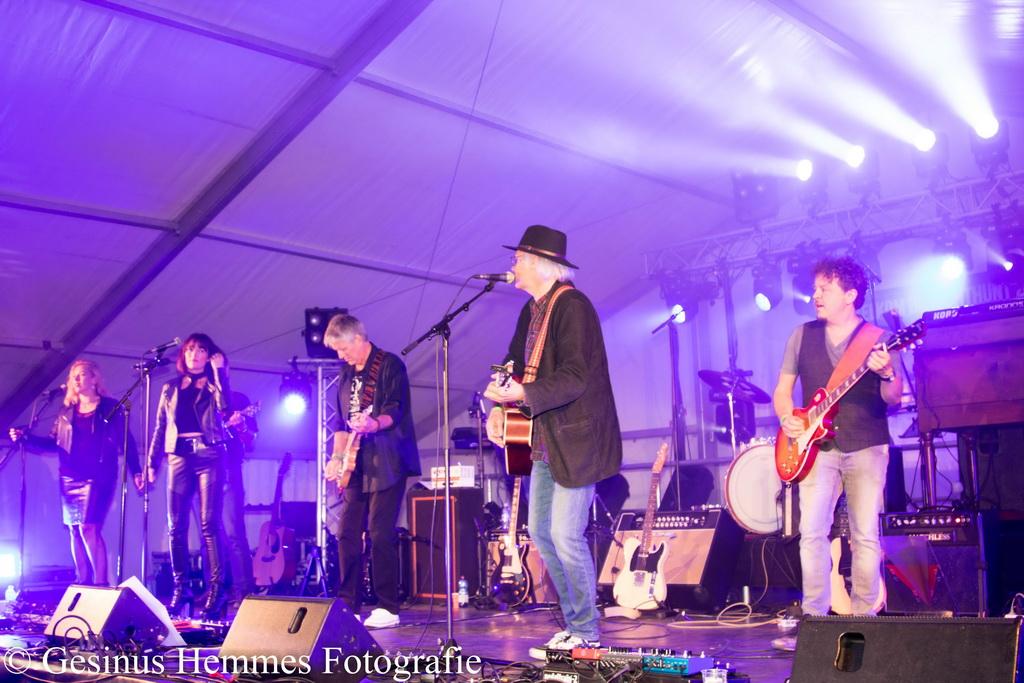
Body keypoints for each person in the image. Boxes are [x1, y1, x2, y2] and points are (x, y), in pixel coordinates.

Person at [483, 225, 622, 658]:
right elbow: (511, 365)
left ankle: (586, 630)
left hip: (578, 439)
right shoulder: (531, 311)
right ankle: (574, 623)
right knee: (542, 534)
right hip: (543, 439)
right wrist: (497, 405)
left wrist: (523, 393)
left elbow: (576, 376)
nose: (513, 265)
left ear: (542, 265)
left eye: (519, 258)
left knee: (565, 533)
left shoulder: (573, 307)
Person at [772, 256, 902, 650]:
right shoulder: (801, 335)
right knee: (811, 534)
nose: (815, 295)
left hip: (866, 444)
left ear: (850, 295)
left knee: (865, 536)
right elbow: (782, 391)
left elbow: (893, 399)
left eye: (824, 289)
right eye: (815, 288)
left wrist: (887, 373)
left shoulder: (878, 338)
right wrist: (787, 418)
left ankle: (863, 627)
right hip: (818, 448)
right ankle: (813, 625)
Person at [323, 314, 420, 629]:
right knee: (347, 533)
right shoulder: (346, 374)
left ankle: (388, 606)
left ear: (357, 338)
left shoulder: (389, 365)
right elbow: (339, 423)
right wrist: (336, 458)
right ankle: (348, 604)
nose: (341, 356)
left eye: (343, 348)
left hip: (389, 461)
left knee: (380, 533)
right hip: (356, 463)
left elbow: (396, 409)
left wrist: (373, 423)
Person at [9, 360, 143, 586]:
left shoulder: (109, 407)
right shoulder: (66, 412)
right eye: (74, 377)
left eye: (82, 375)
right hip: (70, 476)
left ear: (94, 378)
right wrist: (26, 438)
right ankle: (82, 580)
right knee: (74, 529)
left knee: (88, 527)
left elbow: (126, 440)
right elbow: (54, 444)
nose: (77, 380)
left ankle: (100, 584)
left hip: (98, 475)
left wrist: (136, 470)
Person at [148, 333, 232, 617]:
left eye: (201, 350)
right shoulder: (170, 388)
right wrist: (152, 463)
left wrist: (220, 374)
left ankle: (218, 590)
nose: (195, 354)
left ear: (210, 356)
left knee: (209, 524)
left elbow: (225, 408)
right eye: (190, 349)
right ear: (183, 354)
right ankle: (181, 588)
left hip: (209, 455)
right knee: (176, 525)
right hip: (178, 456)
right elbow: (160, 427)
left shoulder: (213, 383)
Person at [221, 390, 257, 609]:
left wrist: (241, 426)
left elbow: (251, 441)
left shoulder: (238, 400)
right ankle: (216, 591)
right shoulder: (196, 397)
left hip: (228, 472)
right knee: (209, 538)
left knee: (234, 533)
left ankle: (244, 591)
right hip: (199, 472)